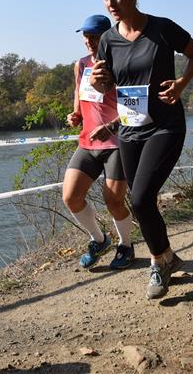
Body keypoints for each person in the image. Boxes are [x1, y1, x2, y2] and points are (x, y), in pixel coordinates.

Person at [89, 0, 193, 299]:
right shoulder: (108, 40)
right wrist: (98, 82)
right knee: (141, 200)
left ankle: (157, 263)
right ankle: (167, 256)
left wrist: (182, 84)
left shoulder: (161, 28)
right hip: (129, 129)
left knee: (140, 197)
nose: (111, 3)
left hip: (165, 125)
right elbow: (107, 85)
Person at [63, 14, 133, 270]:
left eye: (94, 37)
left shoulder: (123, 63)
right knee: (71, 197)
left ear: (107, 36)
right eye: (86, 36)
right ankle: (99, 240)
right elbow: (79, 93)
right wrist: (76, 115)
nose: (89, 41)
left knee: (113, 201)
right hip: (88, 143)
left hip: (117, 143)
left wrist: (112, 126)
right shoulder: (81, 64)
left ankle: (126, 245)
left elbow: (135, 105)